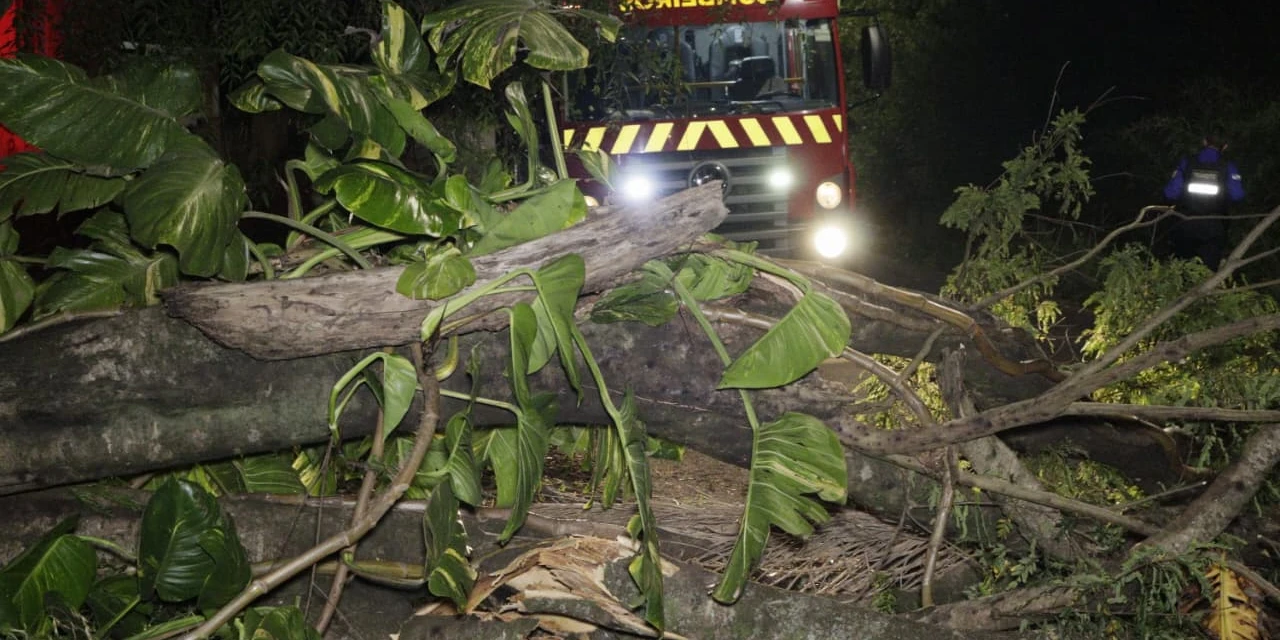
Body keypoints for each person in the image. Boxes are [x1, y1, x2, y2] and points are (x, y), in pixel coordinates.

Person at [1162, 134, 1245, 268]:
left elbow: (1170, 193)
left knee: (1181, 269)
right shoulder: (1228, 166)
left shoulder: (1187, 162)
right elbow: (1237, 195)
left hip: (1185, 223)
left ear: (1204, 141)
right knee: (1208, 272)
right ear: (1225, 146)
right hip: (1214, 226)